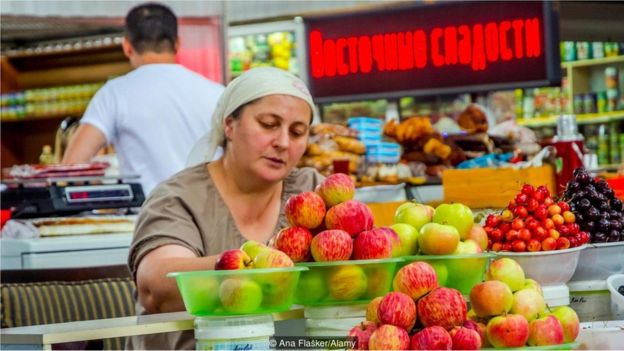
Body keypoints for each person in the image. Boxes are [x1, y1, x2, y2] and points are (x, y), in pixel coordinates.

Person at [125, 67, 323, 350]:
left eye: (297, 132)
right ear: (229, 125)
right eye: (268, 124)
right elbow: (157, 288)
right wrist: (254, 266)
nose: (283, 142)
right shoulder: (179, 198)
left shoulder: (312, 192)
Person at [62, 2, 224, 195]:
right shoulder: (217, 93)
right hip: (209, 217)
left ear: (127, 46)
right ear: (177, 44)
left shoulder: (114, 94)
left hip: (148, 218)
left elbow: (70, 168)